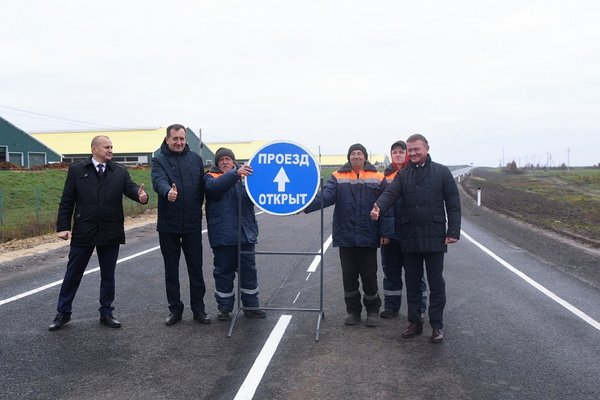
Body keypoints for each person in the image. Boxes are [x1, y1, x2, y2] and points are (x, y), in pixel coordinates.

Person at [49, 135, 149, 331]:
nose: (110, 150)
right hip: (84, 230)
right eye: (106, 147)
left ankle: (106, 312)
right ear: (94, 149)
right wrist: (63, 226)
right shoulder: (78, 170)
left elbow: (131, 189)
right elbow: (67, 200)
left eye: (112, 146)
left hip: (111, 230)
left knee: (108, 275)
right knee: (73, 273)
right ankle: (63, 313)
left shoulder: (119, 171)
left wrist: (141, 196)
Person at [371, 134, 461, 343]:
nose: (412, 153)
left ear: (427, 148)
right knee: (412, 283)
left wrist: (453, 231)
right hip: (409, 236)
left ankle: (437, 325)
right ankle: (415, 322)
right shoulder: (403, 175)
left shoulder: (441, 172)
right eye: (409, 150)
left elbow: (453, 203)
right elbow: (390, 194)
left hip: (434, 236)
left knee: (436, 283)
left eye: (416, 149)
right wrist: (379, 207)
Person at [304, 143, 392, 327]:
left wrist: (385, 232)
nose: (356, 156)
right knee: (349, 276)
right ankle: (352, 311)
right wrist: (302, 206)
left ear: (365, 157)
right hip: (346, 236)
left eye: (359, 153)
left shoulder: (377, 177)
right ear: (349, 157)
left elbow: (387, 207)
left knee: (369, 275)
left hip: (368, 236)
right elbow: (326, 197)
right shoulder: (338, 176)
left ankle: (373, 311)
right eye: (353, 153)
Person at [151, 124, 210, 326]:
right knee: (171, 270)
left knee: (196, 269)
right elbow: (158, 181)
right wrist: (168, 191)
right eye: (175, 138)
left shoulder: (195, 159)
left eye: (182, 139)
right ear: (167, 139)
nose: (178, 142)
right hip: (169, 225)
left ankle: (199, 309)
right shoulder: (159, 160)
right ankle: (175, 309)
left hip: (192, 223)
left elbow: (205, 185)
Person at [204, 148, 266, 321]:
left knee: (249, 273)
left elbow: (260, 195)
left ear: (233, 161)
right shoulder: (210, 177)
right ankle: (224, 308)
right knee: (224, 273)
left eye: (228, 159)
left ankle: (251, 307)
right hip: (223, 236)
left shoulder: (246, 177)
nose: (225, 162)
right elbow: (214, 189)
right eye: (221, 159)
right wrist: (235, 174)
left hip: (245, 235)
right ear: (217, 163)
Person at [379, 140, 428, 319]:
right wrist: (384, 233)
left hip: (411, 235)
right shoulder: (384, 178)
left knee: (415, 274)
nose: (398, 154)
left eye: (401, 152)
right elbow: (382, 208)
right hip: (390, 236)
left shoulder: (415, 174)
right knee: (391, 272)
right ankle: (392, 307)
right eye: (395, 152)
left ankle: (419, 310)